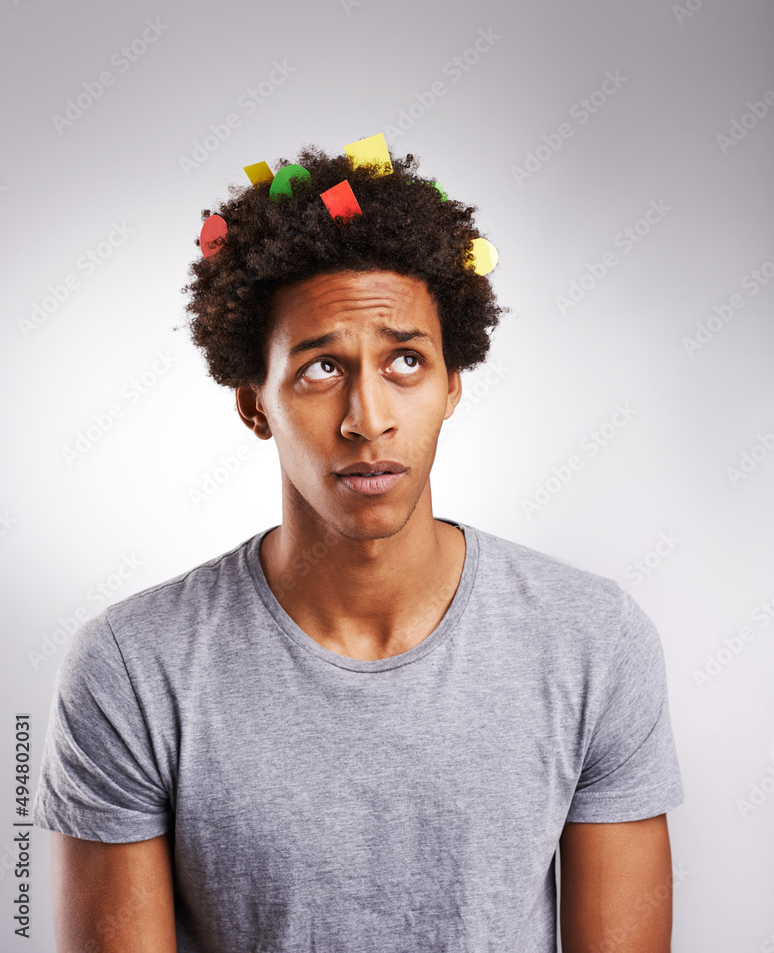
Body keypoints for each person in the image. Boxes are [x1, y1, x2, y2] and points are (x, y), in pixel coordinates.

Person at [33, 137, 684, 953]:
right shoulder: (133, 667)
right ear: (253, 403)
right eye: (319, 369)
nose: (367, 418)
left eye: (405, 361)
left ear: (452, 384)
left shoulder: (594, 641)